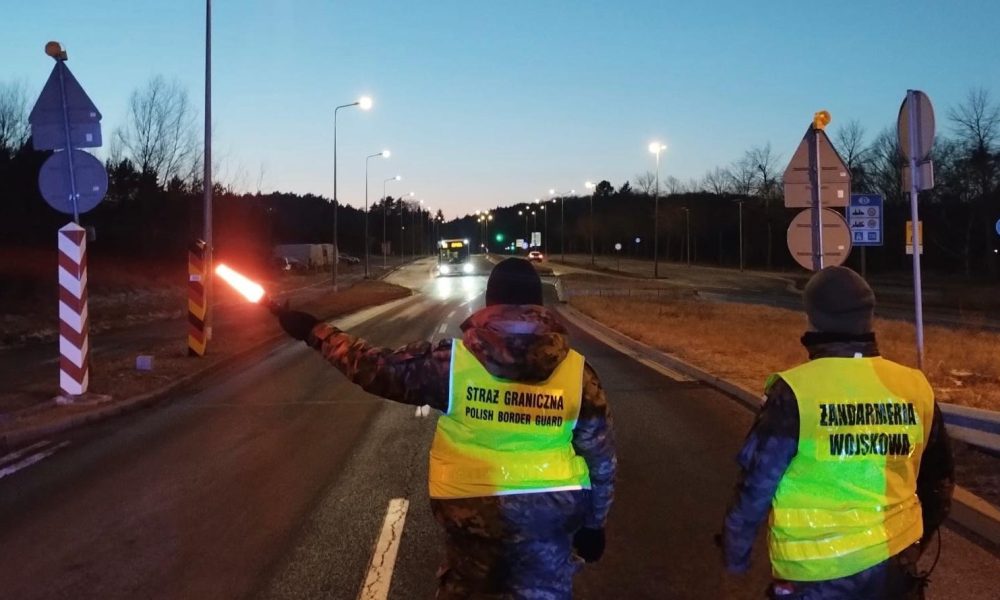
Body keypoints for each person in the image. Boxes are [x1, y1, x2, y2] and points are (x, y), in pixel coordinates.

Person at [276, 258, 616, 599]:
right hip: (549, 516)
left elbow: (373, 368)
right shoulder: (578, 374)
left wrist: (313, 331)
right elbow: (600, 459)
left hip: (471, 512)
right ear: (540, 305)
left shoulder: (452, 363)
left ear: (490, 302)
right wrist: (595, 524)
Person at [722, 266, 954, 599]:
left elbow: (756, 486)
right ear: (870, 318)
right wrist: (913, 546)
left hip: (815, 578)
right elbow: (939, 484)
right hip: (894, 567)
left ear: (813, 319)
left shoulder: (796, 392)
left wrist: (736, 558)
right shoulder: (913, 386)